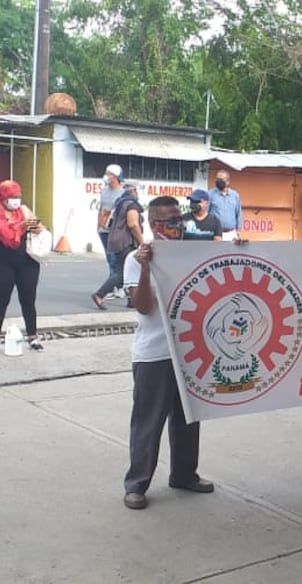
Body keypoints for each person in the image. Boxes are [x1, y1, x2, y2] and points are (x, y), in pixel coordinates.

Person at [122, 196, 213, 510]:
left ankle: (184, 473)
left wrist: (239, 248)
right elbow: (144, 307)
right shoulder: (135, 259)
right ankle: (136, 484)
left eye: (178, 219)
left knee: (189, 417)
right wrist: (147, 268)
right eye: (167, 221)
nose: (175, 226)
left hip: (189, 350)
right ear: (151, 224)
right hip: (155, 354)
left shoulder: (191, 252)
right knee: (148, 422)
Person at [0, 180, 45, 354]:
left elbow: (40, 228)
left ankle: (33, 337)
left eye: (18, 197)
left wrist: (30, 224)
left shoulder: (24, 210)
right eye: (12, 197)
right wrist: (19, 227)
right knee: (0, 300)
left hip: (27, 261)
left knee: (28, 300)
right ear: (3, 197)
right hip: (3, 261)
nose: (16, 200)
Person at [92, 182, 144, 310]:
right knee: (124, 273)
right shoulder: (132, 205)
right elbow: (133, 224)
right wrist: (142, 242)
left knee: (128, 271)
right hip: (126, 242)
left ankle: (131, 300)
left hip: (116, 239)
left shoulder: (120, 202)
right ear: (134, 191)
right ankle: (99, 294)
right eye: (137, 191)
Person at [97, 164, 126, 299]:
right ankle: (113, 287)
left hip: (115, 231)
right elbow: (101, 209)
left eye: (109, 174)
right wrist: (98, 226)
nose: (106, 176)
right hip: (104, 230)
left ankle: (118, 287)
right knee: (109, 259)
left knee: (115, 260)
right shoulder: (104, 191)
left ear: (115, 176)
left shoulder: (122, 193)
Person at [208, 170, 242, 241]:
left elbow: (238, 213)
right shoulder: (210, 194)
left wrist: (238, 231)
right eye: (217, 179)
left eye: (221, 180)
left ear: (228, 181)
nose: (218, 181)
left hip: (231, 233)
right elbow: (206, 213)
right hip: (215, 234)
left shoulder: (235, 195)